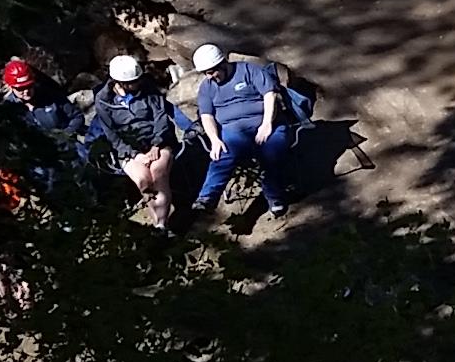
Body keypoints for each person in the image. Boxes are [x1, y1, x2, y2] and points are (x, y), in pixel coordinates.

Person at [186, 42, 301, 217]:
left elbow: (269, 94)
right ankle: (207, 198)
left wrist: (267, 123)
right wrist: (214, 139)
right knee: (221, 155)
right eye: (205, 73)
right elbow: (206, 115)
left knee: (272, 151)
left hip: (266, 123)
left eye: (211, 72)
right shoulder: (207, 87)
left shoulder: (249, 71)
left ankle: (274, 196)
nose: (209, 76)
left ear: (223, 64)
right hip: (233, 131)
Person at [81, 53, 185, 229]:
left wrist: (156, 145)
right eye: (132, 82)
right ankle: (160, 223)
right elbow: (111, 133)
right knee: (144, 182)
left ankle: (161, 224)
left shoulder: (149, 89)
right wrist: (134, 154)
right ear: (118, 83)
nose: (137, 84)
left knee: (158, 174)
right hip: (128, 150)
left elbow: (160, 118)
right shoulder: (104, 101)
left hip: (157, 142)